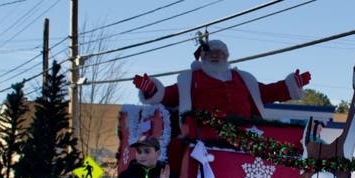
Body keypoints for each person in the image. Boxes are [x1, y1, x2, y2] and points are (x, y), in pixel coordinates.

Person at [133, 38, 311, 137]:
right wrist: (151, 89)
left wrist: (292, 85)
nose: (215, 56)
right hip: (205, 137)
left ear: (226, 56)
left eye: (219, 53)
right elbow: (168, 95)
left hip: (246, 136)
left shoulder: (244, 78)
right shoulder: (190, 79)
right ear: (203, 57)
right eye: (211, 54)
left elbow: (268, 92)